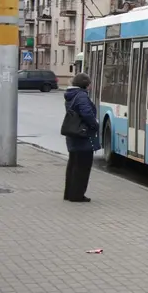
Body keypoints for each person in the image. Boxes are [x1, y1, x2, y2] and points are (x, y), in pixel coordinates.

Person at [63, 72, 100, 203]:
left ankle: (69, 193)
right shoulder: (82, 96)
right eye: (89, 83)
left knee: (73, 165)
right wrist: (95, 125)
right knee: (82, 167)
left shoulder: (71, 95)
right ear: (86, 84)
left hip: (73, 135)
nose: (90, 86)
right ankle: (77, 195)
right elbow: (86, 113)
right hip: (82, 135)